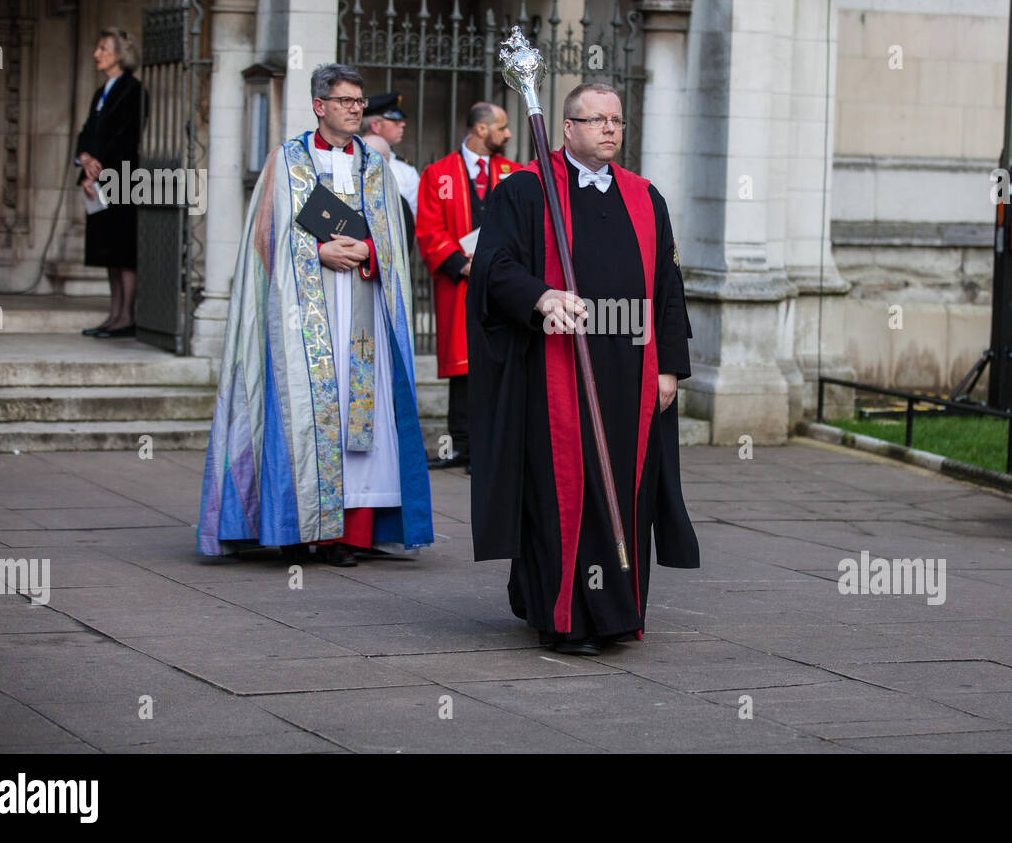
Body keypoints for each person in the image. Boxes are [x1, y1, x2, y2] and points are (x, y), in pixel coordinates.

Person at [466, 82, 698, 656]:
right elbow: (492, 268)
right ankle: (563, 617)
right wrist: (541, 296)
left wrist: (668, 367)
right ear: (567, 128)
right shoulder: (525, 192)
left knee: (625, 490)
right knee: (561, 492)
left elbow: (669, 289)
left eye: (617, 120)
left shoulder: (646, 197)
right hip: (555, 373)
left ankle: (618, 614)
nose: (610, 129)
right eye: (596, 120)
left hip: (630, 371)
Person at [197, 63, 432, 567]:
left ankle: (352, 533)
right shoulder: (286, 163)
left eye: (359, 101)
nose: (355, 109)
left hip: (363, 313)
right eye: (346, 101)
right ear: (319, 106)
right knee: (309, 416)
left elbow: (393, 237)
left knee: (361, 421)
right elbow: (263, 243)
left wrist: (369, 251)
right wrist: (315, 255)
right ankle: (303, 529)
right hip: (305, 318)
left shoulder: (375, 166)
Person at [416, 102, 521, 472]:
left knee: (498, 363)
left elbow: (525, 225)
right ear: (480, 130)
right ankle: (459, 449)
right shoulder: (437, 173)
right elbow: (428, 230)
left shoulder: (515, 173)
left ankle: (493, 451)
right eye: (502, 127)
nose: (507, 134)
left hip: (502, 284)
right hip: (459, 283)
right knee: (462, 369)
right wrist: (462, 264)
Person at [75, 28, 145, 338]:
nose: (96, 54)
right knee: (109, 254)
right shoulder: (101, 91)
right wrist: (85, 159)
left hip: (122, 178)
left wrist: (99, 168)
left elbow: (125, 137)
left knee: (123, 252)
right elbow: (87, 132)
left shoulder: (134, 90)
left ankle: (127, 318)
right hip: (100, 180)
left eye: (102, 48)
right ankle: (114, 315)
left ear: (119, 54)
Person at [360, 92, 418, 252]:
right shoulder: (347, 158)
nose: (403, 125)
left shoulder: (406, 170)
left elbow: (413, 224)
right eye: (395, 121)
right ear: (375, 125)